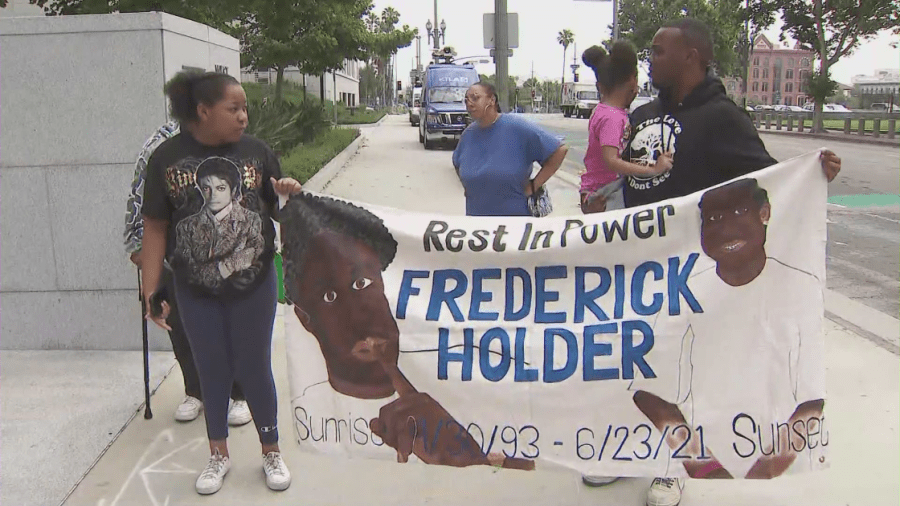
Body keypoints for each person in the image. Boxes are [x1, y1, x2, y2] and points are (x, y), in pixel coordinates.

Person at [594, 18, 841, 506]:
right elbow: (633, 183)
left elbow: (767, 178)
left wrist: (814, 174)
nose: (651, 57)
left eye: (661, 50)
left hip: (691, 275)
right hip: (639, 266)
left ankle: (669, 469)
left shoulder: (723, 117)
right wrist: (602, 202)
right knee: (628, 365)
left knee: (672, 373)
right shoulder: (642, 115)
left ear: (693, 56)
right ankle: (622, 454)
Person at [280, 193, 535, 470]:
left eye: (363, 282)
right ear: (305, 319)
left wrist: (469, 456)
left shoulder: (464, 385)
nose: (358, 312)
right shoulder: (313, 408)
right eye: (329, 297)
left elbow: (533, 460)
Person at [140, 70, 303, 495]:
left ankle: (271, 450)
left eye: (245, 108)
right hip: (195, 291)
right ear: (203, 110)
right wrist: (152, 291)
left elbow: (281, 214)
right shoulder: (166, 159)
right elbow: (155, 227)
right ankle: (218, 455)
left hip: (255, 286)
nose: (244, 116)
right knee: (211, 369)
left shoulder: (257, 152)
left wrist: (288, 195)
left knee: (254, 367)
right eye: (234, 108)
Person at [630, 179, 825, 484]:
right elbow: (648, 390)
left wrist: (769, 467)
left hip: (784, 469)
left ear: (764, 213)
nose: (726, 228)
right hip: (702, 463)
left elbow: (813, 398)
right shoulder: (685, 291)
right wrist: (701, 463)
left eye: (739, 211)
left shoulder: (800, 285)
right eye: (714, 219)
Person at [124, 121, 251, 426]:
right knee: (180, 324)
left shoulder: (230, 139)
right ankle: (195, 390)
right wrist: (137, 244)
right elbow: (140, 194)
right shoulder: (161, 144)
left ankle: (240, 394)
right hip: (175, 254)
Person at [579, 43, 672, 214]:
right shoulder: (612, 118)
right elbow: (612, 161)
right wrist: (653, 170)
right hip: (607, 191)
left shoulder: (604, 111)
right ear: (632, 80)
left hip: (599, 187)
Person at [452, 82, 569, 216]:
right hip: (478, 226)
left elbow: (559, 150)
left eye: (475, 98)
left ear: (492, 100)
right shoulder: (468, 135)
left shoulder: (517, 127)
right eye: (466, 100)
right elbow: (457, 162)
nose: (469, 103)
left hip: (514, 224)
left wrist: (534, 185)